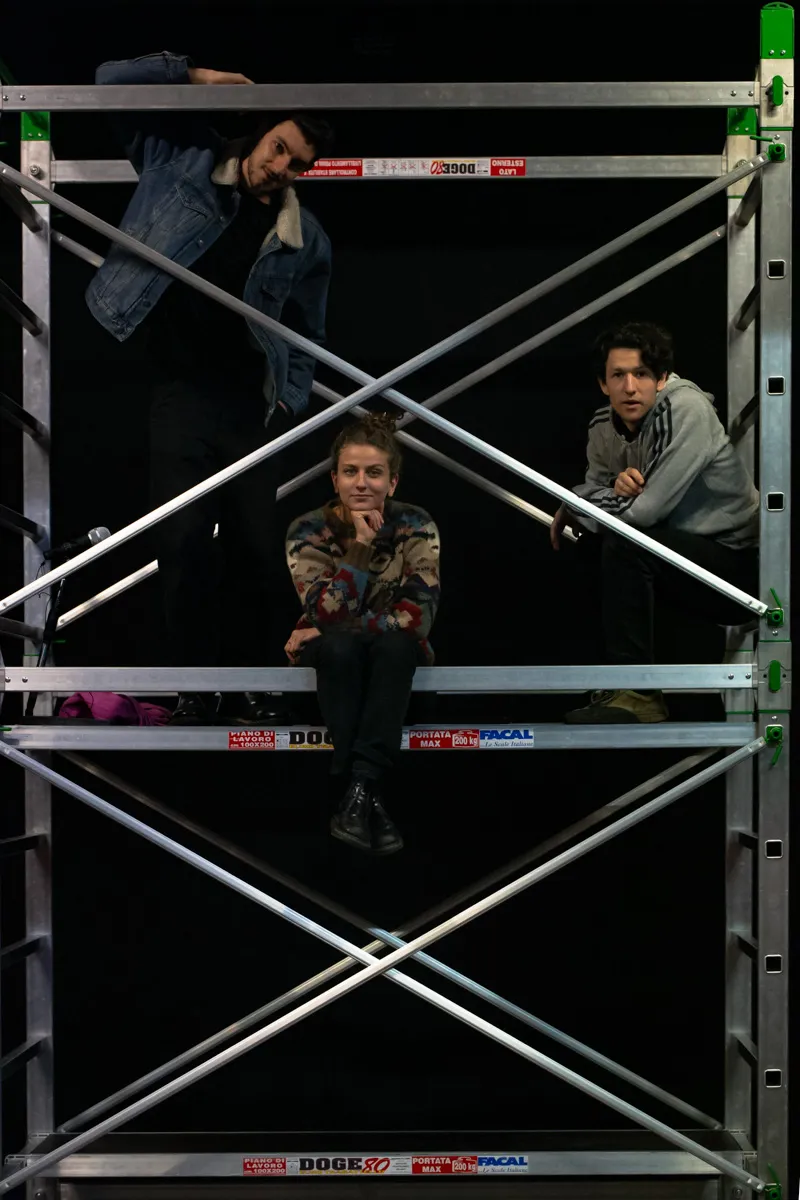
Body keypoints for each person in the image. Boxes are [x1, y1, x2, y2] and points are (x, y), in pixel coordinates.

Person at [85, 52, 334, 724]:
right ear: (258, 131)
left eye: (297, 164)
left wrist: (290, 402)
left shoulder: (305, 238)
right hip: (181, 393)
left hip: (248, 405)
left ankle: (261, 683)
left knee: (257, 546)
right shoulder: (183, 160)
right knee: (185, 539)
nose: (279, 167)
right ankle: (197, 683)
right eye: (278, 146)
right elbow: (110, 84)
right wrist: (200, 79)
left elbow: (307, 332)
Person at [550, 322, 759, 724]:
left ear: (662, 379)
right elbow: (598, 512)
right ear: (602, 384)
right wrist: (608, 488)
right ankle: (617, 685)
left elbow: (643, 515)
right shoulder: (601, 427)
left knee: (625, 543)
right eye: (618, 375)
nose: (630, 387)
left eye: (642, 374)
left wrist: (577, 498)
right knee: (587, 545)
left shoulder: (685, 410)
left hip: (737, 570)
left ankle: (639, 693)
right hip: (678, 559)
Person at [284, 414, 441, 855]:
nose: (361, 483)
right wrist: (360, 546)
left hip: (396, 664)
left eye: (374, 473)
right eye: (350, 471)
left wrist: (334, 623)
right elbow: (330, 619)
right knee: (339, 646)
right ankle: (368, 792)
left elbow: (418, 621)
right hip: (334, 665)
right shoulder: (307, 529)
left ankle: (357, 791)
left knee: (391, 645)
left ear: (392, 482)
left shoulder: (415, 523)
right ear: (334, 479)